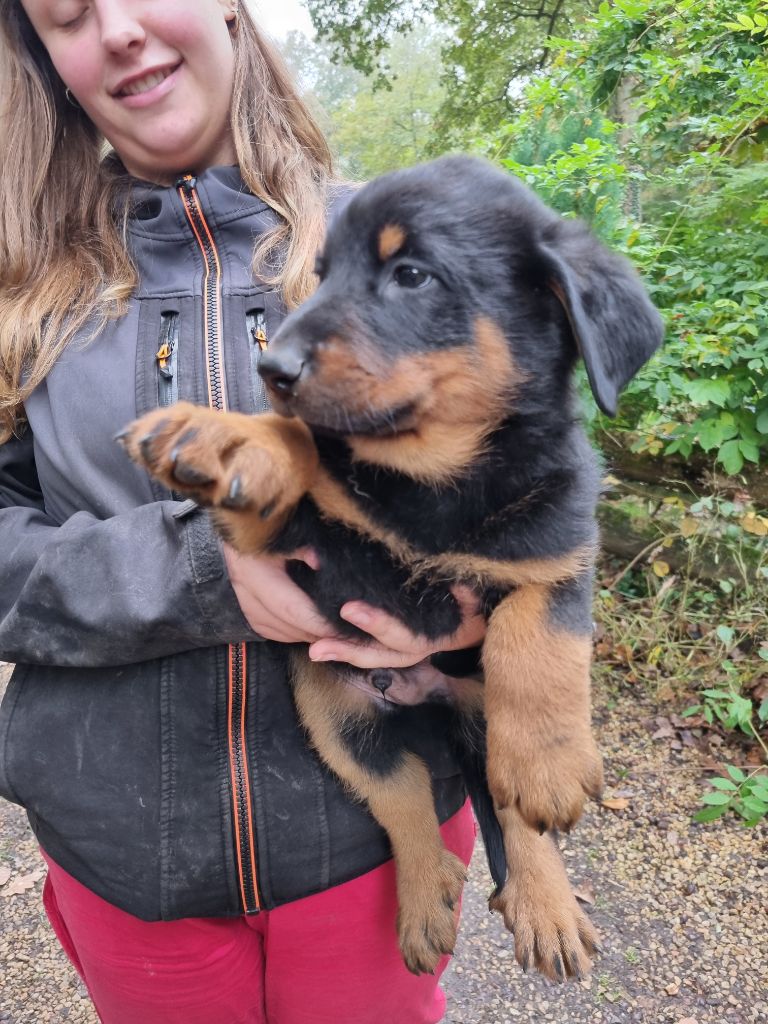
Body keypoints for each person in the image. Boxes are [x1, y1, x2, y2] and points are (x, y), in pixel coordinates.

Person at [0, 2, 485, 1022]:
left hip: (373, 840)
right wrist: (202, 570)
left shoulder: (400, 243)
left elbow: (520, 473)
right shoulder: (21, 295)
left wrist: (472, 599)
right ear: (45, 56)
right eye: (68, 15)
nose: (119, 31)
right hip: (127, 855)